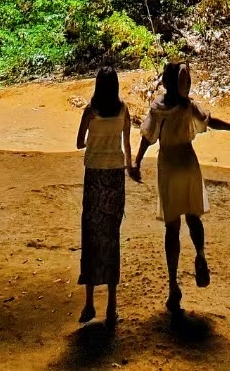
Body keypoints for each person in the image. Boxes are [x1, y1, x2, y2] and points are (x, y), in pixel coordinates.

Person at [130, 62, 230, 316]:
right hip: (188, 163)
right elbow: (210, 120)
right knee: (193, 216)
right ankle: (200, 253)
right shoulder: (188, 107)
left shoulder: (159, 109)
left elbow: (147, 137)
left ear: (166, 83)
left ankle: (173, 286)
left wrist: (136, 161)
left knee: (172, 228)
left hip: (169, 166)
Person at [76, 65, 132, 327]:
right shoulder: (123, 110)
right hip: (115, 176)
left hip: (94, 176)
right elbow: (127, 146)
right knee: (111, 236)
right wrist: (130, 167)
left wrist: (94, 141)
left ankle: (89, 303)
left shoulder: (90, 111)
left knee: (91, 235)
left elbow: (79, 143)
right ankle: (112, 305)